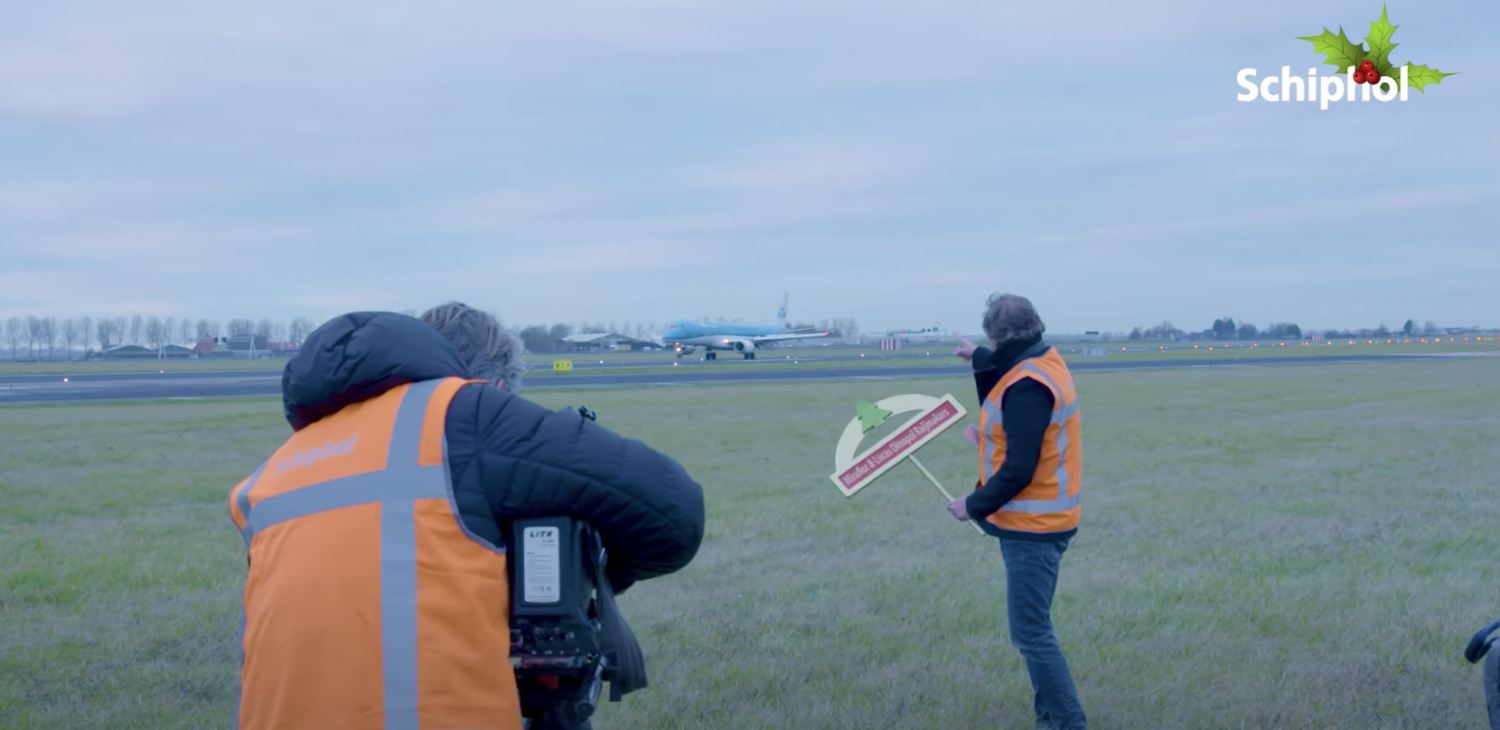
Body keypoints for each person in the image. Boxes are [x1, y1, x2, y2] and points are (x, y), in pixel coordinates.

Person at [227, 303, 706, 730]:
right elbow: (675, 510)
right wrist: (583, 580)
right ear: (494, 385)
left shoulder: (277, 468)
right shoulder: (467, 412)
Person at [945, 293, 1086, 730]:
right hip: (1043, 520)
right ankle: (1051, 719)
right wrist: (977, 357)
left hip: (1033, 526)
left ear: (997, 333)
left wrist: (972, 505)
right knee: (1032, 629)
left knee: (1031, 633)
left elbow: (1020, 467)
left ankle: (1067, 724)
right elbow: (1005, 372)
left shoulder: (1027, 385)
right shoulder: (1043, 360)